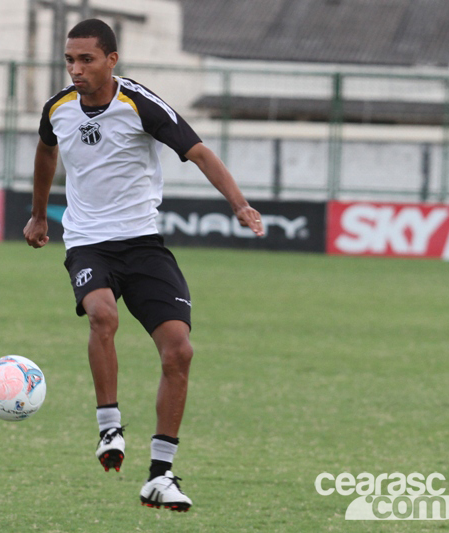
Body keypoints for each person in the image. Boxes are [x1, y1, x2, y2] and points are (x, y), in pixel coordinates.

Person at [23, 19, 264, 512]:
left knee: (179, 351)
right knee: (102, 314)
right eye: (70, 60)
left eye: (86, 59)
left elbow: (197, 152)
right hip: (89, 242)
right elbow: (46, 152)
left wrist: (239, 204)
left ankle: (160, 475)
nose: (75, 69)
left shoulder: (141, 104)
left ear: (112, 59)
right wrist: (37, 214)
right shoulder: (59, 109)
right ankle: (109, 426)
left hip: (143, 243)